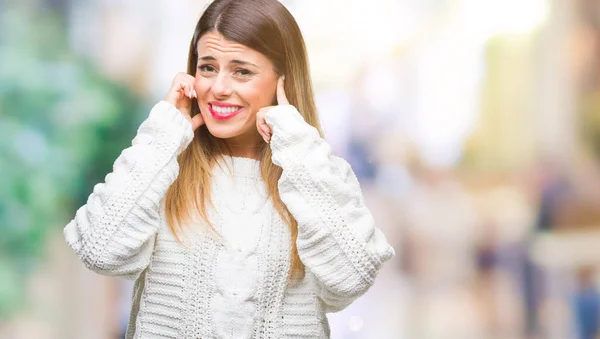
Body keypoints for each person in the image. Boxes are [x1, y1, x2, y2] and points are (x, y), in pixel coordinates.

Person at [63, 0, 394, 337]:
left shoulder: (313, 171)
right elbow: (99, 251)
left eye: (241, 71)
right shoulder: (162, 165)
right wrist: (161, 138)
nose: (218, 88)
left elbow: (352, 277)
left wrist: (296, 145)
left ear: (283, 81)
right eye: (208, 67)